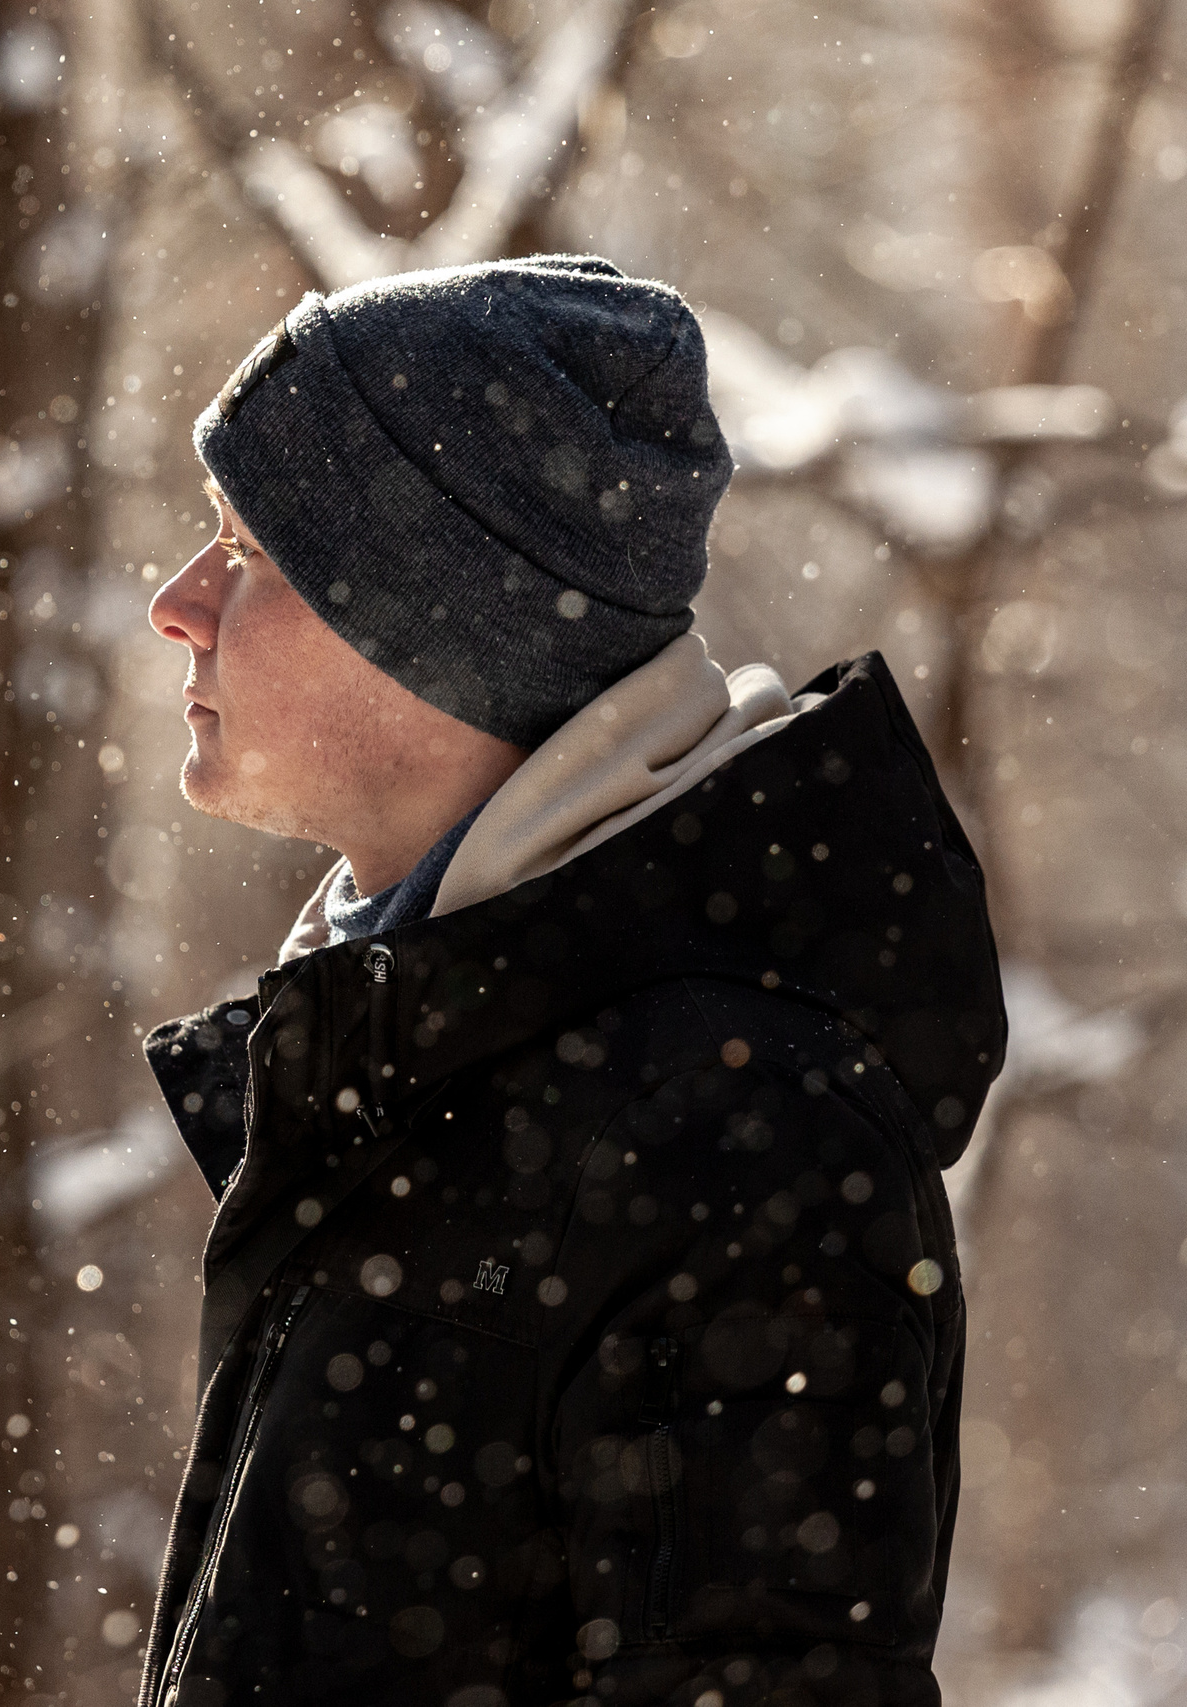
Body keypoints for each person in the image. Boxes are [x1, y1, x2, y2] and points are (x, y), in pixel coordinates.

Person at [134, 255, 1004, 1707]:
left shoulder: (738, 1132)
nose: (178, 601)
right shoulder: (426, 1056)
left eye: (251, 551)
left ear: (428, 624)